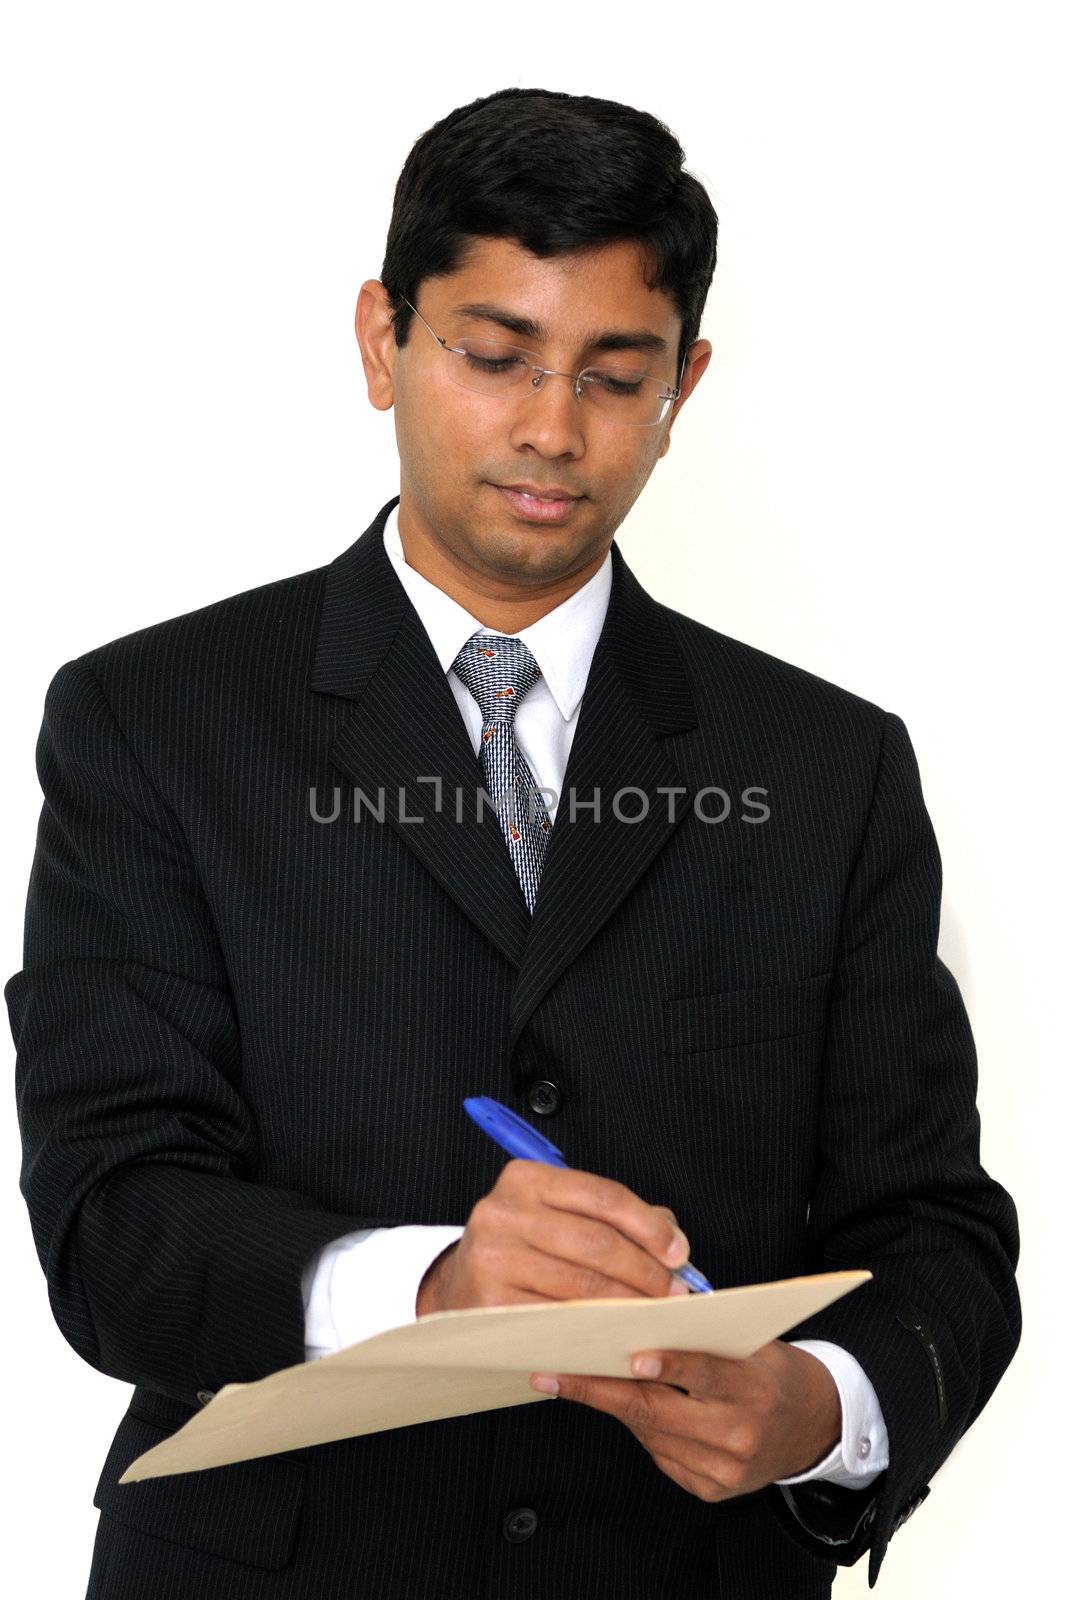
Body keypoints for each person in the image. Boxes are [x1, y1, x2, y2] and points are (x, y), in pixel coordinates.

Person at [6, 87, 1020, 1599]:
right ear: (381, 339)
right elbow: (114, 1221)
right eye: (495, 358)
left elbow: (932, 1227)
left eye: (618, 377)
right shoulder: (151, 722)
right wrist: (436, 1287)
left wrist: (819, 1411)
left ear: (687, 385)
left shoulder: (827, 766)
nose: (553, 429)